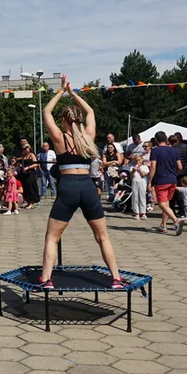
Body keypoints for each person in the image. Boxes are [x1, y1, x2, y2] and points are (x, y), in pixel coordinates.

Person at [35, 75, 125, 289]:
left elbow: (46, 111)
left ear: (64, 121)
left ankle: (46, 279)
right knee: (102, 236)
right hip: (87, 186)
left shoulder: (59, 137)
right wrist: (73, 93)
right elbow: (91, 112)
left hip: (68, 186)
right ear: (79, 121)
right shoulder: (88, 136)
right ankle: (116, 278)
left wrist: (61, 92)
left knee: (52, 237)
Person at [148, 131, 183, 233]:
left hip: (161, 180)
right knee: (166, 203)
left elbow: (153, 167)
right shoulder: (174, 151)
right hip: (172, 180)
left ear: (156, 140)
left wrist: (150, 181)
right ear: (166, 139)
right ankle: (163, 225)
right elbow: (180, 167)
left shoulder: (155, 151)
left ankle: (176, 221)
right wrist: (174, 173)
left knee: (161, 204)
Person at [131, 156, 149, 220]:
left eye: (139, 160)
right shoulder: (133, 167)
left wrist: (139, 168)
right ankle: (136, 212)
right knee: (135, 197)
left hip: (142, 182)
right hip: (135, 182)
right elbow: (131, 176)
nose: (137, 161)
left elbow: (143, 175)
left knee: (142, 197)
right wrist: (133, 171)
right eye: (136, 160)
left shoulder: (145, 167)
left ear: (142, 160)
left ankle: (143, 213)